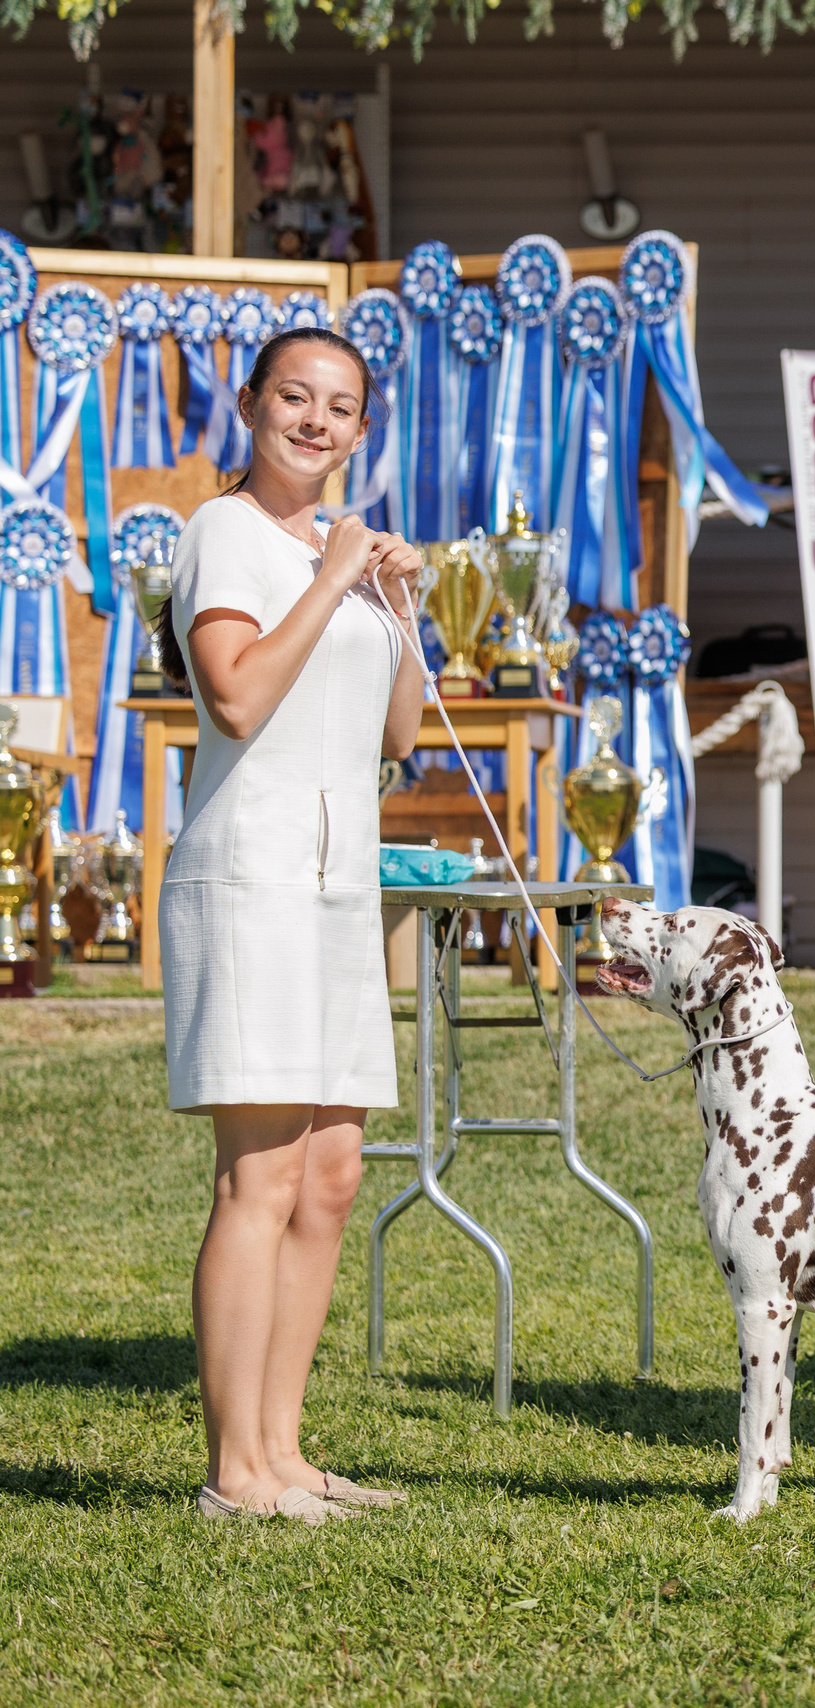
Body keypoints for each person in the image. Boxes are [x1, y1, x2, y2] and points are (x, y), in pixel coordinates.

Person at [157, 326, 426, 1524]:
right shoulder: (225, 533)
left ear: (363, 429)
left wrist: (399, 604)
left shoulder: (339, 551)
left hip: (335, 895)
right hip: (253, 880)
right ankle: (234, 1474)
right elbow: (236, 691)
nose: (317, 421)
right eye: (295, 398)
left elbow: (400, 738)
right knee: (258, 1176)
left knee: (328, 1174)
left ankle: (284, 1451)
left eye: (341, 407)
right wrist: (330, 578)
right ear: (254, 404)